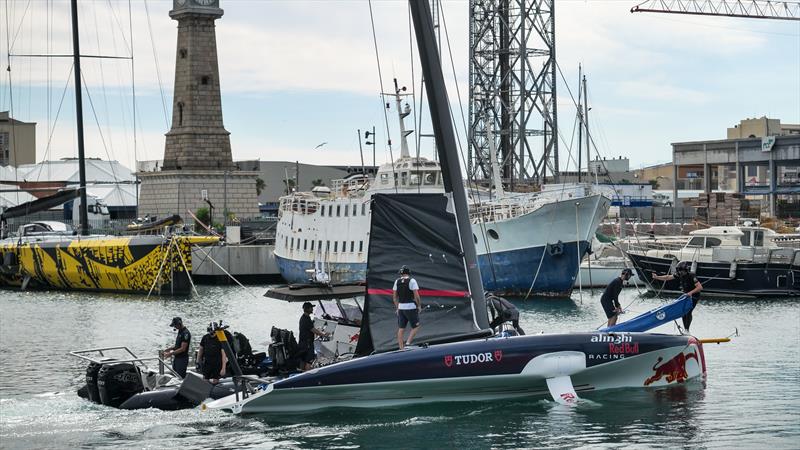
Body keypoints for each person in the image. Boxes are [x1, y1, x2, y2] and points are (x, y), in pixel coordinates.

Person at [652, 261, 703, 333]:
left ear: (685, 270)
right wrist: (657, 277)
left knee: (688, 311)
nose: (680, 273)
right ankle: (685, 329)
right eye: (679, 271)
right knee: (683, 312)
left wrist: (690, 293)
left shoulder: (692, 275)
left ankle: (687, 330)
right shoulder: (679, 274)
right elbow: (668, 277)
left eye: (681, 271)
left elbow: (700, 287)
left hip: (694, 296)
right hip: (686, 295)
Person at [393, 265, 422, 350]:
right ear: (408, 273)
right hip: (410, 307)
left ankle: (401, 348)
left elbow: (394, 297)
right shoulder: (412, 281)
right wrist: (419, 305)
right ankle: (408, 343)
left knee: (401, 329)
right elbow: (416, 296)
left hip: (401, 307)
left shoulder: (396, 281)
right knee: (416, 326)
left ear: (401, 274)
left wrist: (397, 308)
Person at [298, 302, 329, 371]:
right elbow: (313, 330)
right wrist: (323, 334)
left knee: (303, 359)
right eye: (311, 307)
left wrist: (319, 331)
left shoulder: (304, 317)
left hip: (303, 342)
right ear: (308, 309)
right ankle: (307, 375)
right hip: (307, 343)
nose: (312, 309)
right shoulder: (306, 319)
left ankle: (301, 374)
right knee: (309, 360)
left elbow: (311, 329)